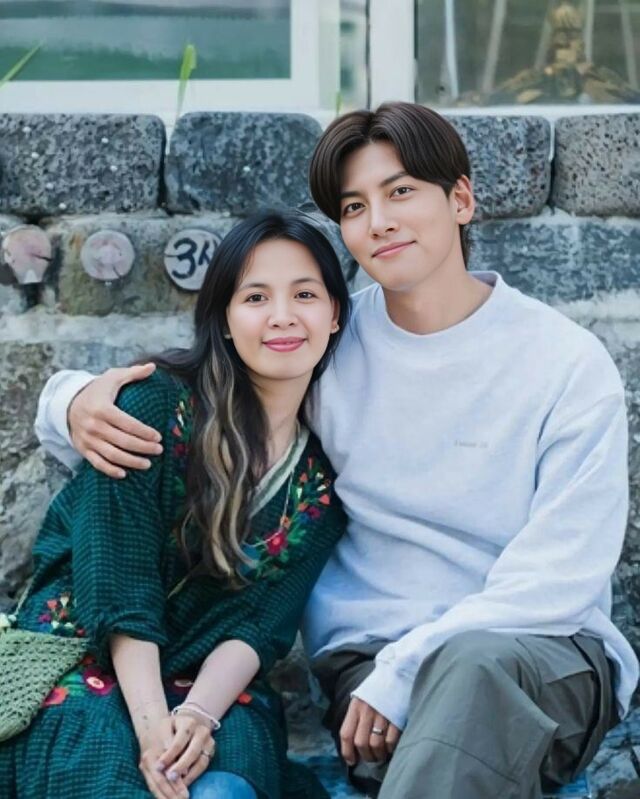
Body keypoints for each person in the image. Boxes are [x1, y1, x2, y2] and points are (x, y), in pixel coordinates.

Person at [34, 103, 638, 799]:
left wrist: (409, 667)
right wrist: (69, 401)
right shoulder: (329, 345)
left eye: (401, 191)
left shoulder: (564, 362)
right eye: (354, 206)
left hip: (541, 653)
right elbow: (202, 389)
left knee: (472, 668)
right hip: (370, 673)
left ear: (461, 200)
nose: (378, 221)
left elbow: (560, 575)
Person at [0, 210, 350, 799]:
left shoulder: (321, 479)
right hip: (85, 653)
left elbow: (258, 625)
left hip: (213, 681)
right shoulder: (151, 408)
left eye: (305, 294)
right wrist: (153, 732)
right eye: (256, 297)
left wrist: (199, 717)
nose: (283, 316)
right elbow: (118, 586)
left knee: (226, 787)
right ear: (225, 319)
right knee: (112, 779)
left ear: (335, 313)